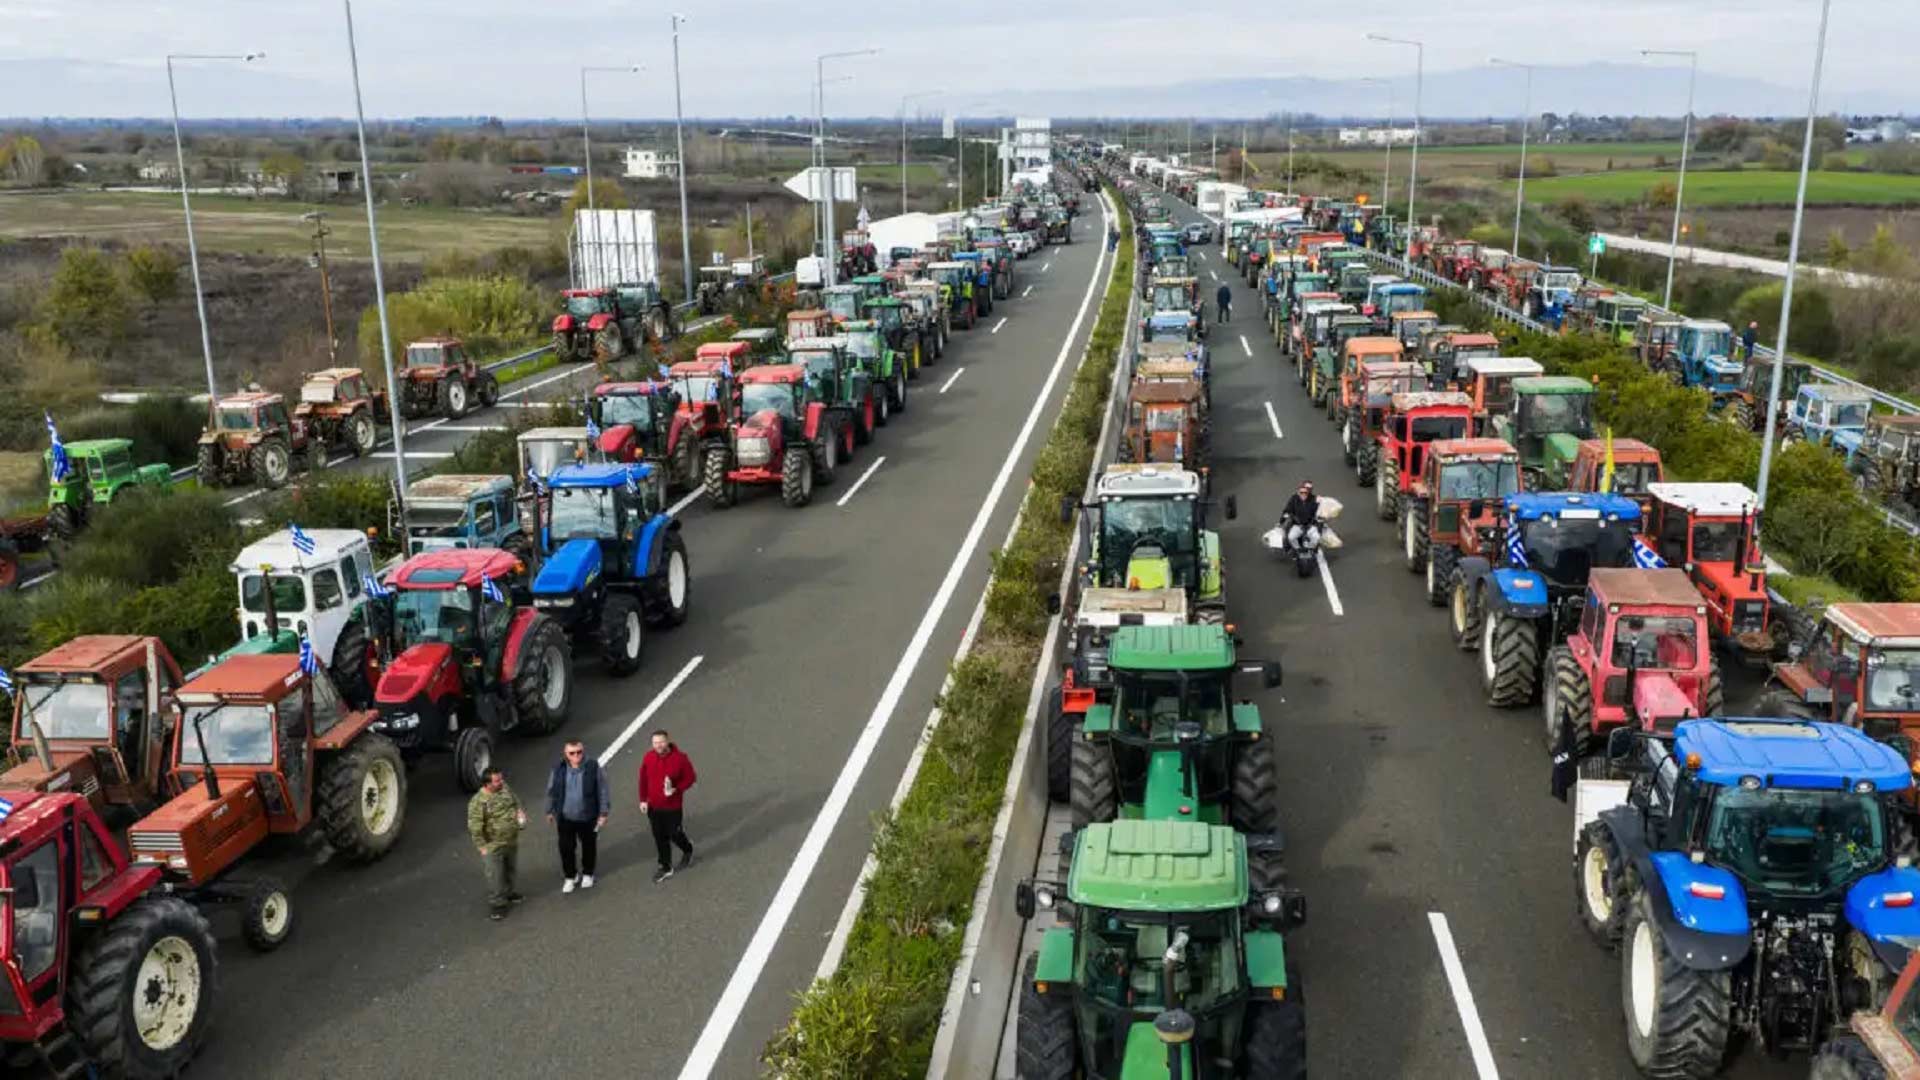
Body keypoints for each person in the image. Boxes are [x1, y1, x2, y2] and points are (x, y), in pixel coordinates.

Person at [546, 739, 609, 893]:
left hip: (588, 817)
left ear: (583, 750)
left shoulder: (593, 767)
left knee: (589, 846)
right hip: (565, 817)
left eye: (579, 752)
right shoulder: (558, 768)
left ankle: (588, 873)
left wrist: (603, 812)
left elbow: (602, 790)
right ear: (566, 754)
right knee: (566, 848)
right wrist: (549, 810)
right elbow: (551, 790)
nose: (576, 755)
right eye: (572, 753)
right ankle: (571, 876)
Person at [467, 766, 527, 921]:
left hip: (511, 840)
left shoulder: (504, 788)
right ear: (487, 784)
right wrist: (482, 847)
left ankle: (509, 893)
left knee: (510, 869)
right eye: (497, 780)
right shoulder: (478, 802)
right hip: (493, 845)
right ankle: (498, 905)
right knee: (495, 876)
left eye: (501, 778)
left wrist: (520, 813)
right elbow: (475, 827)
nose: (501, 782)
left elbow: (515, 801)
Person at [638, 730, 697, 883]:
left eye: (661, 742)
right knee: (659, 836)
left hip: (673, 807)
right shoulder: (648, 757)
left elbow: (691, 778)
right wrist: (643, 799)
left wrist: (676, 789)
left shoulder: (680, 759)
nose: (659, 745)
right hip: (653, 806)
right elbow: (643, 779)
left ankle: (688, 848)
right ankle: (665, 866)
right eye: (655, 743)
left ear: (668, 741)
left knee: (674, 834)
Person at [1282, 481, 1321, 551]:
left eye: (1310, 488)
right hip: (1298, 525)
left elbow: (1321, 509)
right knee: (1290, 536)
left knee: (1317, 537)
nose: (1306, 492)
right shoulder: (1294, 498)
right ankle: (1296, 550)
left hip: (1310, 525)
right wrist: (1282, 520)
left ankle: (1311, 549)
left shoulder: (1315, 499)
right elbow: (1288, 509)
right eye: (1302, 492)